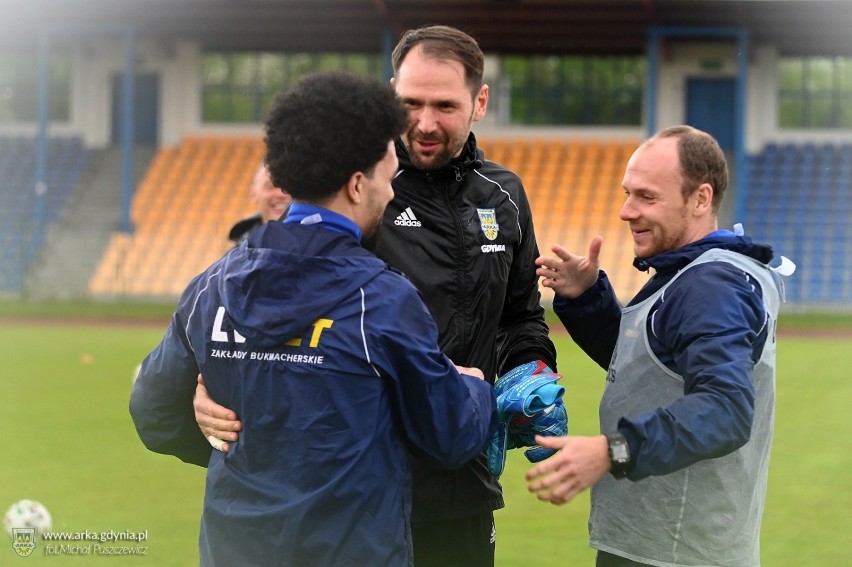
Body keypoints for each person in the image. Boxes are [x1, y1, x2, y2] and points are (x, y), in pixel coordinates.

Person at [194, 25, 562, 567]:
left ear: (479, 102)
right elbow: (264, 312)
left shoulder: (503, 195)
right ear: (391, 95)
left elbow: (520, 315)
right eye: (411, 103)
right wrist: (203, 391)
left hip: (464, 482)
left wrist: (533, 373)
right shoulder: (358, 187)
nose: (426, 123)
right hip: (358, 487)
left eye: (445, 105)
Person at [129, 71, 499, 567]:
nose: (391, 195)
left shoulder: (211, 285)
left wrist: (233, 448)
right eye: (389, 180)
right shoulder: (382, 300)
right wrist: (474, 387)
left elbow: (153, 413)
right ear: (356, 184)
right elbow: (449, 436)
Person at [526, 125, 789, 567]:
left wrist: (614, 449)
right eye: (628, 194)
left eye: (647, 197)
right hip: (660, 546)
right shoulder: (691, 273)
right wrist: (587, 299)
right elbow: (649, 367)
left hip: (677, 554)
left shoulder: (711, 284)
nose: (627, 211)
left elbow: (725, 410)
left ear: (701, 199)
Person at [227, 162, 291, 244]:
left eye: (288, 187)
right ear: (253, 194)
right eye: (270, 186)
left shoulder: (312, 250)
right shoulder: (238, 254)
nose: (281, 194)